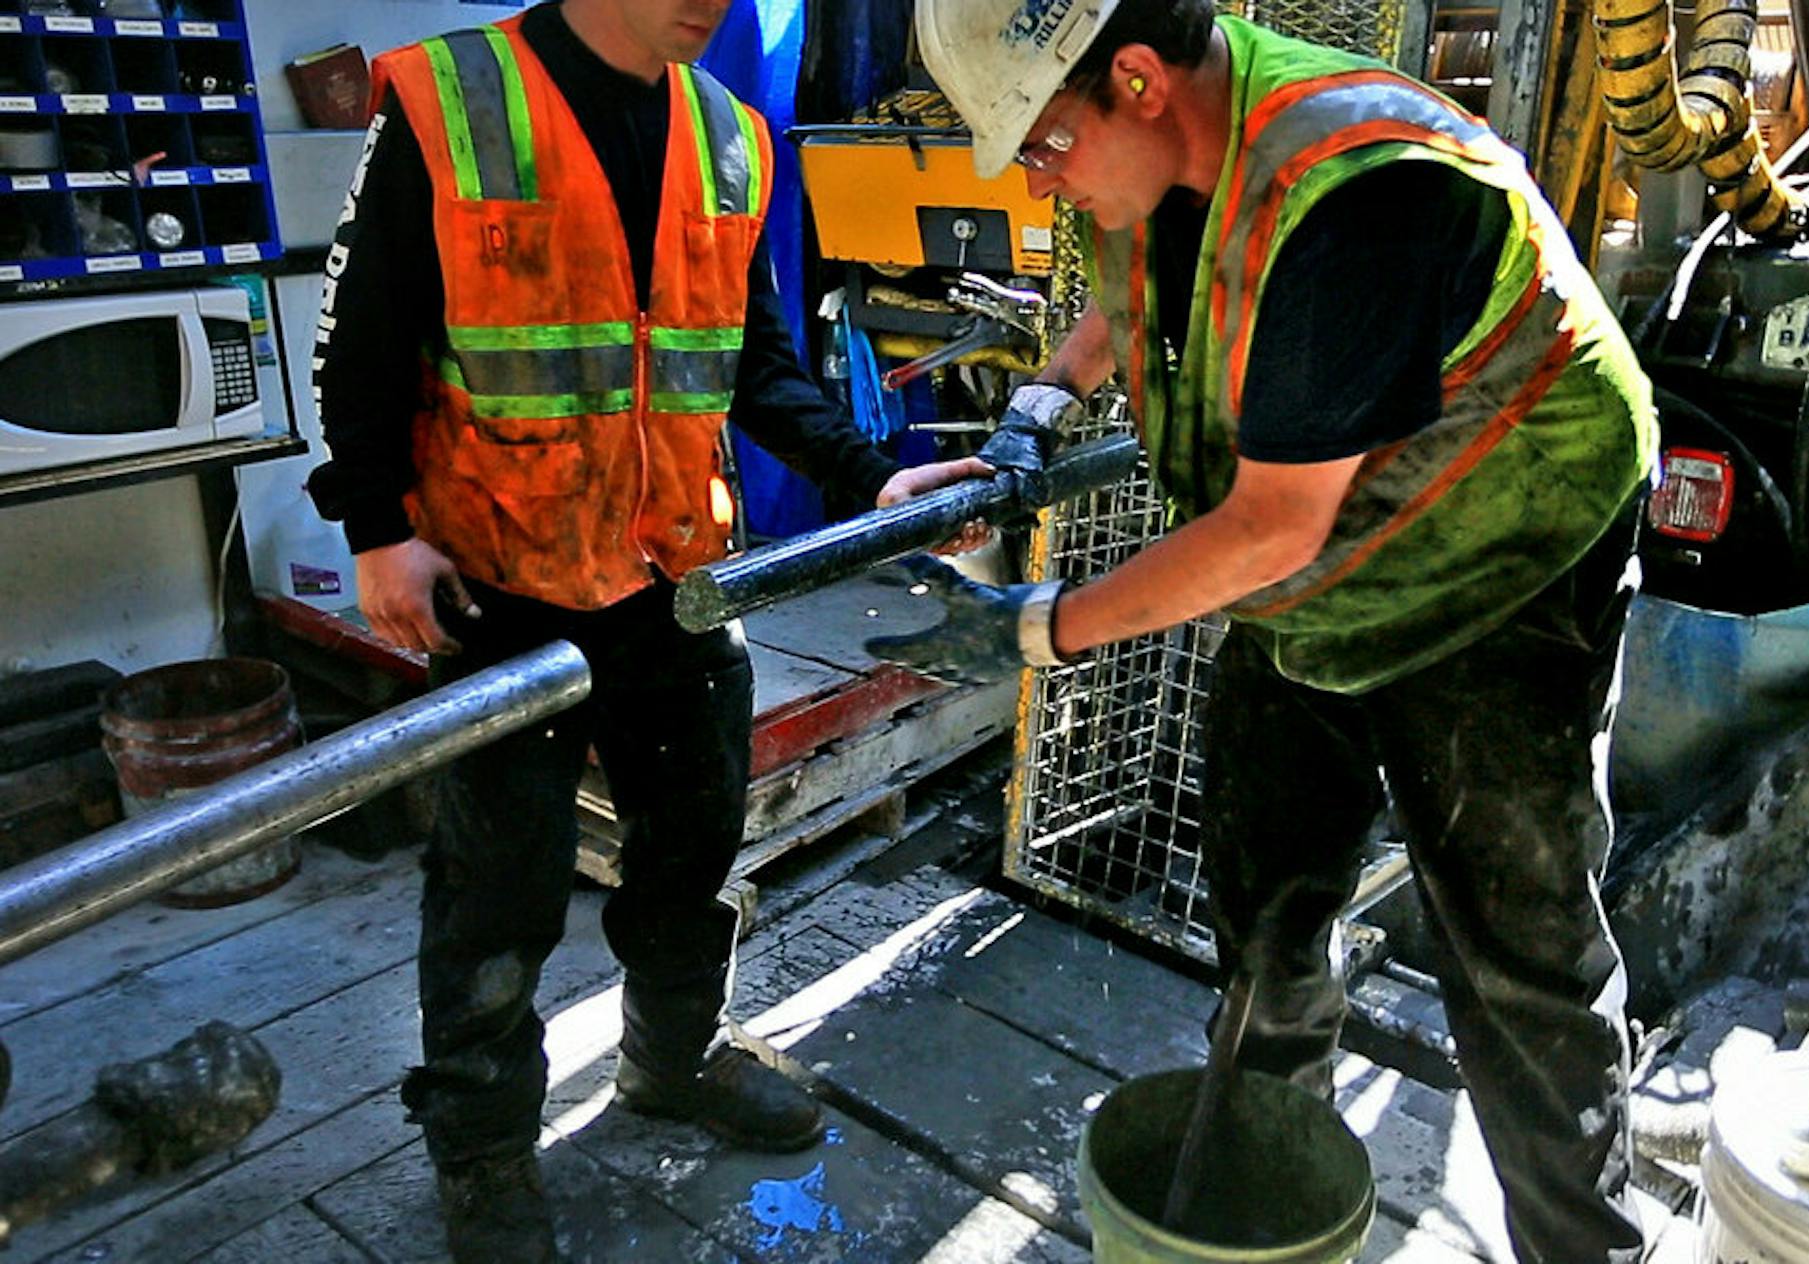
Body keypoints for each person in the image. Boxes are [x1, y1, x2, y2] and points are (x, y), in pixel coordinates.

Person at [873, 1, 1660, 1260]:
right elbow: (1133, 282)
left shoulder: (1359, 191)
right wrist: (1030, 416)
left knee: (1518, 958)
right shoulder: (1158, 152)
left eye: (1044, 148)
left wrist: (1033, 630)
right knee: (1271, 906)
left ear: (1135, 79)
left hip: (1499, 561)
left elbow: (1267, 530)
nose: (1038, 176)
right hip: (1324, 571)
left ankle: (1583, 1247)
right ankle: (1259, 1202)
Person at [306, 1, 980, 1257]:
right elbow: (364, 334)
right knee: (495, 888)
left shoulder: (728, 133)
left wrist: (865, 472)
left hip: (673, 576)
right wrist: (375, 524)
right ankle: (486, 1148)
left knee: (692, 844)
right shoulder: (456, 100)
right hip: (497, 579)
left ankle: (673, 1057)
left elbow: (751, 358)